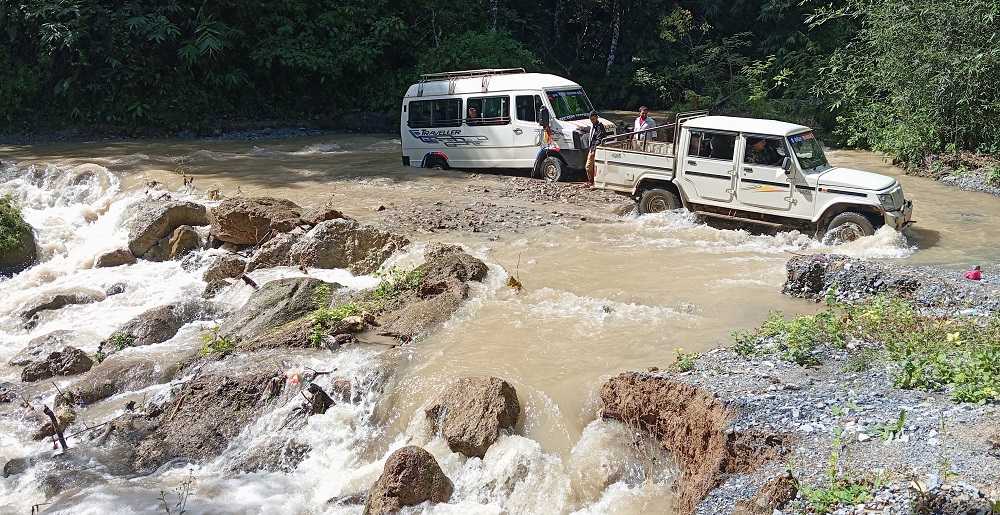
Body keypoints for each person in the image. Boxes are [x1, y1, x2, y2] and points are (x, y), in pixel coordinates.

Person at [584, 110, 607, 187]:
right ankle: (593, 181)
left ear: (597, 118)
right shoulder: (592, 126)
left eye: (593, 119)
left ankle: (592, 181)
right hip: (592, 148)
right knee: (593, 166)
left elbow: (599, 139)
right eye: (591, 120)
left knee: (588, 166)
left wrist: (594, 149)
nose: (592, 121)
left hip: (596, 148)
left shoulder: (600, 127)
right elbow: (589, 129)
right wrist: (581, 128)